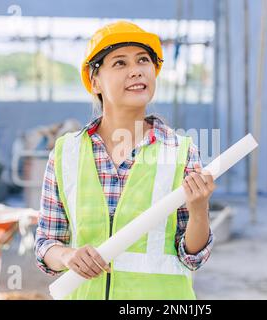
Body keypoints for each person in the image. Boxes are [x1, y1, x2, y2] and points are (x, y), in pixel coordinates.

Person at [34, 20, 215, 300]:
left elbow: (193, 256)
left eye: (143, 60)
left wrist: (199, 209)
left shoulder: (181, 151)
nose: (136, 71)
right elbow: (46, 243)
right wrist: (68, 256)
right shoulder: (65, 153)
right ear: (95, 81)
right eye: (120, 63)